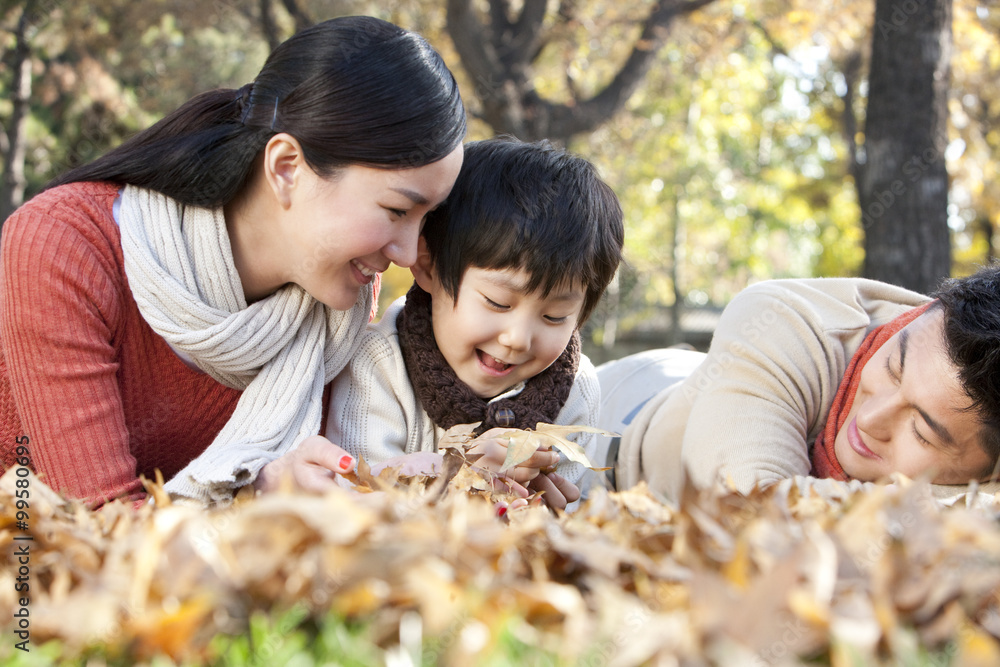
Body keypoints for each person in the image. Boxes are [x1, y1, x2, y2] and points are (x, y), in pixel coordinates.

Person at [0, 16, 467, 507]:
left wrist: (457, 474)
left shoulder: (338, 307)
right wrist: (253, 496)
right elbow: (99, 522)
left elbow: (319, 493)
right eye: (396, 211)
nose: (408, 253)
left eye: (425, 219)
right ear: (286, 167)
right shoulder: (65, 247)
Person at [326, 137, 625, 510]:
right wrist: (465, 481)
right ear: (428, 266)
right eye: (498, 302)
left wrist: (546, 517)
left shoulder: (574, 388)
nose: (517, 339)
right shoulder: (378, 364)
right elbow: (359, 500)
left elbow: (570, 507)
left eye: (554, 317)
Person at [594, 267, 1000, 503]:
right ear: (920, 313)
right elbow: (752, 512)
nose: (871, 419)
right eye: (893, 367)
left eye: (922, 431)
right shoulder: (779, 319)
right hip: (617, 417)